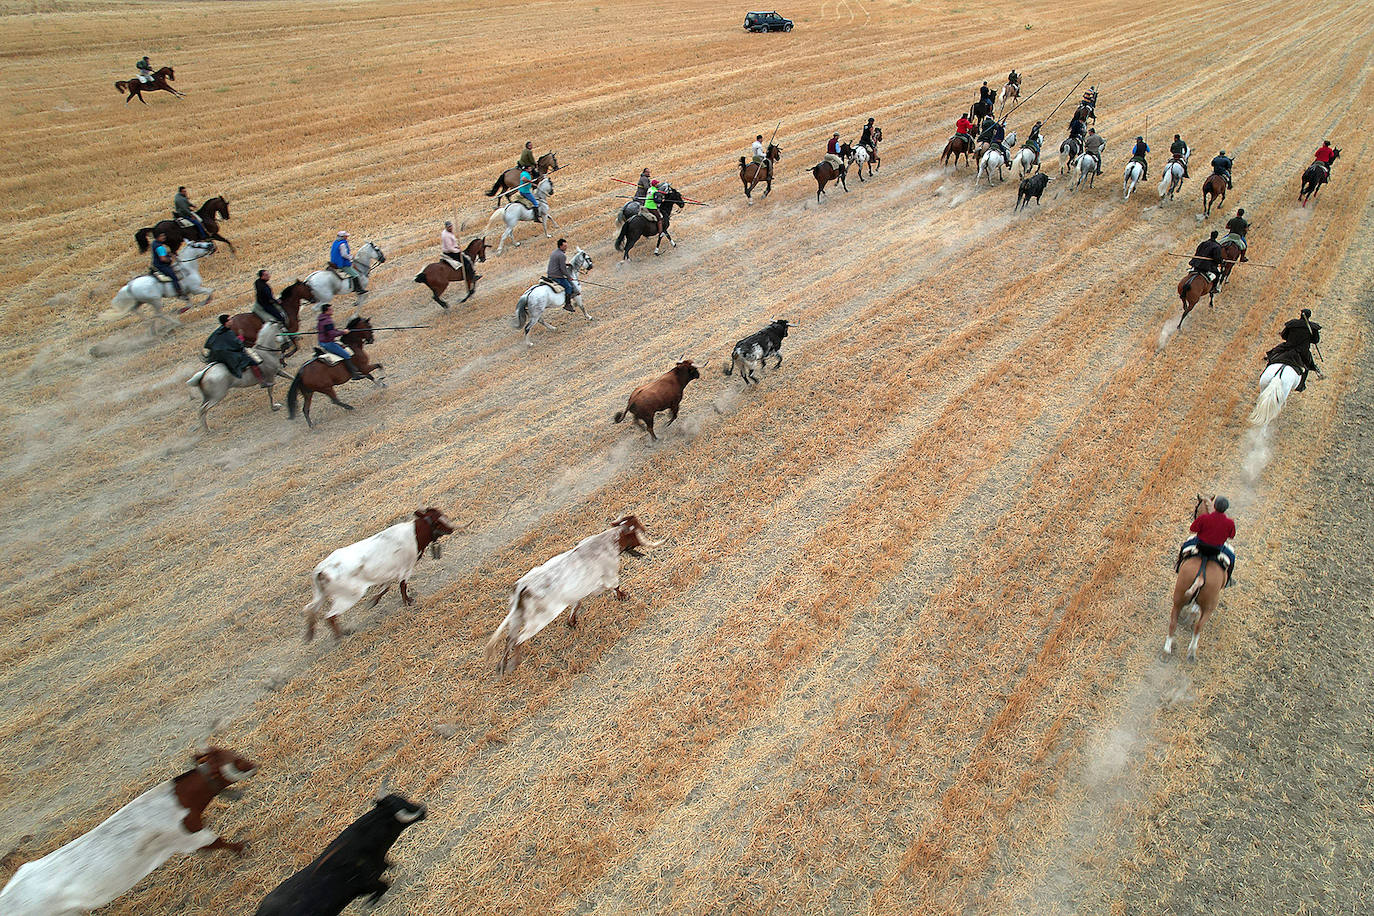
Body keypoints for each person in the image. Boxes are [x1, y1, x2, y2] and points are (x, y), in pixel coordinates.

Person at [204, 314, 268, 386]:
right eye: (230, 319)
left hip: (221, 354)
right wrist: (241, 337)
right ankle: (262, 381)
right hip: (230, 355)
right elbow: (238, 345)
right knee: (252, 361)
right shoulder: (229, 333)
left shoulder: (219, 331)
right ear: (226, 322)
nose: (232, 320)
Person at [1184, 495, 1236, 583]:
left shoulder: (1204, 518)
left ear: (1214, 506)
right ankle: (1227, 580)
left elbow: (1192, 529)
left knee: (1184, 547)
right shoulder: (1230, 522)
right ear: (1225, 509)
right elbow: (1231, 536)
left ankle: (1178, 566)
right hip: (1217, 549)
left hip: (1200, 545)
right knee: (1232, 557)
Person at [1267, 308, 1322, 390]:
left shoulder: (1292, 324)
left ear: (1301, 314)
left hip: (1288, 347)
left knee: (1273, 354)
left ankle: (1266, 367)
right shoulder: (1313, 327)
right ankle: (1301, 385)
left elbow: (1284, 336)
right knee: (1307, 365)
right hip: (1302, 351)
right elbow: (1315, 340)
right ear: (1309, 316)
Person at [316, 302, 365, 380]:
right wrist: (343, 332)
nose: (332, 310)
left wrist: (338, 330)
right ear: (326, 311)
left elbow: (329, 331)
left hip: (322, 341)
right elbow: (331, 334)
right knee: (346, 355)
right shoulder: (328, 321)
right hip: (328, 343)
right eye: (331, 309)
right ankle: (354, 374)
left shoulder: (321, 319)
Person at [545, 238, 577, 312]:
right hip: (557, 276)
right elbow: (563, 269)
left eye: (566, 246)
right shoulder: (562, 255)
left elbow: (556, 263)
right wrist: (569, 277)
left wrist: (565, 264)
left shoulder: (554, 252)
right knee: (569, 287)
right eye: (565, 246)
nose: (566, 247)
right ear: (560, 246)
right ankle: (568, 304)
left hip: (550, 274)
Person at [149, 232, 184, 298]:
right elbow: (163, 259)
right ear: (157, 237)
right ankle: (179, 292)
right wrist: (170, 259)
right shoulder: (160, 247)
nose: (164, 237)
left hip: (156, 264)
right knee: (174, 276)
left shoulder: (154, 243)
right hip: (162, 265)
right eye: (161, 236)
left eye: (164, 235)